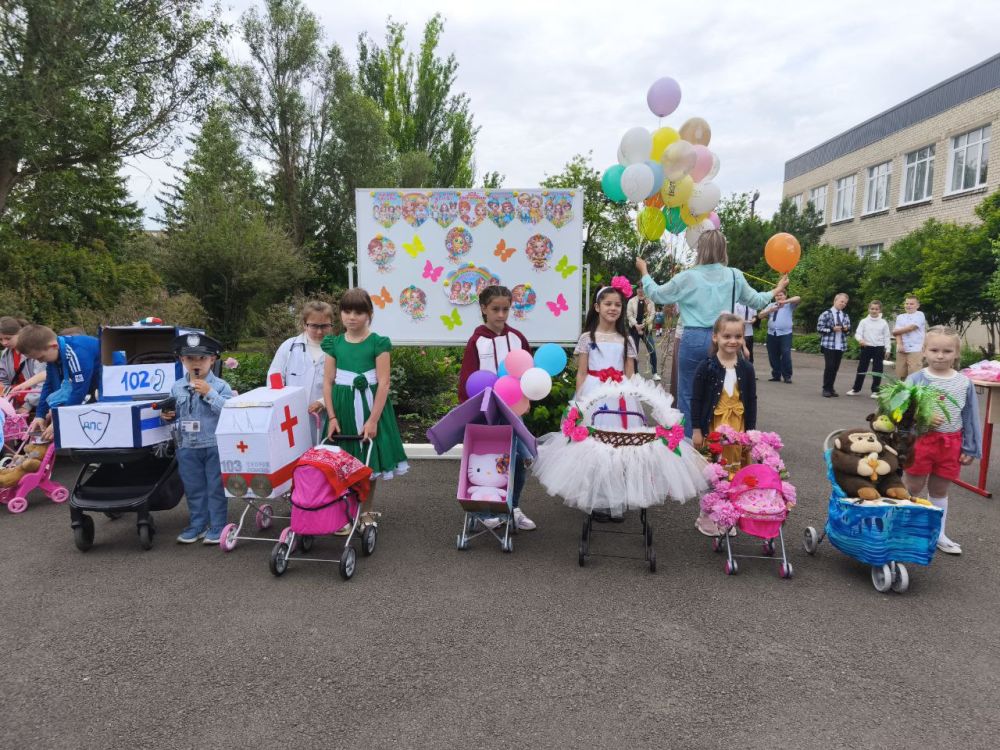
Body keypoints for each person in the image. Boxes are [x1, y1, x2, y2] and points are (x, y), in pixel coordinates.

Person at [636, 230, 786, 436]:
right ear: (723, 249)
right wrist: (775, 290)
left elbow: (656, 294)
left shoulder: (687, 276)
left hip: (693, 339)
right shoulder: (734, 275)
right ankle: (719, 443)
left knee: (688, 393)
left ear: (700, 250)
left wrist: (644, 272)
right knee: (724, 393)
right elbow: (757, 301)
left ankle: (690, 445)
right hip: (724, 340)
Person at [323, 288, 408, 531]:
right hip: (342, 407)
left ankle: (366, 511)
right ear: (340, 314)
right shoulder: (334, 343)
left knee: (368, 462)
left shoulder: (378, 343)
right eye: (347, 311)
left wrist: (373, 420)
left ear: (369, 314)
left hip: (370, 406)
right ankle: (344, 512)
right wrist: (331, 416)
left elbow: (384, 383)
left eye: (358, 312)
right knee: (343, 461)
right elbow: (327, 382)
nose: (352, 317)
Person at [457, 285, 536, 531]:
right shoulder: (476, 341)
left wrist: (527, 398)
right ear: (483, 308)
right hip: (486, 413)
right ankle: (487, 509)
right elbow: (468, 379)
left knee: (522, 457)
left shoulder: (518, 338)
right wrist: (470, 412)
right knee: (493, 461)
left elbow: (528, 373)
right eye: (495, 309)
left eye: (505, 309)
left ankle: (513, 507)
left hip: (514, 411)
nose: (501, 315)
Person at [902, 326, 982, 555]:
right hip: (921, 442)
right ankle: (904, 528)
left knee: (940, 489)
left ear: (956, 353)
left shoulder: (964, 382)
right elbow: (899, 410)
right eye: (934, 349)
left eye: (947, 351)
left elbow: (969, 416)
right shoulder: (916, 378)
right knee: (913, 486)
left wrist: (971, 447)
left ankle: (937, 533)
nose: (940, 355)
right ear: (924, 351)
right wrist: (921, 416)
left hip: (951, 444)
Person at [159, 333, 233, 544]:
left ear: (213, 359)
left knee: (215, 488)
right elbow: (174, 413)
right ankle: (197, 524)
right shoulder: (176, 387)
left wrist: (210, 393)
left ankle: (217, 526)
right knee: (193, 488)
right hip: (187, 446)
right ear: (181, 360)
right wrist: (166, 416)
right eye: (190, 358)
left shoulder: (220, 386)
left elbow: (230, 411)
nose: (196, 363)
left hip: (213, 445)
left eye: (201, 358)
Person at [690, 313, 757, 536]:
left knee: (734, 472)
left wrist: (751, 432)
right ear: (715, 337)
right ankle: (707, 516)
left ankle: (727, 515)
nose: (732, 341)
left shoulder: (746, 368)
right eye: (727, 335)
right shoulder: (707, 366)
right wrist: (697, 429)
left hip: (737, 428)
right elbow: (697, 400)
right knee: (713, 473)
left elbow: (751, 400)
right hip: (713, 428)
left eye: (738, 336)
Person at [15, 324, 101, 442]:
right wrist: (39, 415)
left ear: (53, 346)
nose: (40, 361)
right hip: (92, 387)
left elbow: (79, 391)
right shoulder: (55, 352)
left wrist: (60, 419)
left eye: (41, 357)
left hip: (109, 383)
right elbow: (48, 384)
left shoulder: (76, 353)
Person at [268, 301, 335, 442]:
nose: (319, 331)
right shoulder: (289, 347)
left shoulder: (338, 349)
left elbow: (342, 384)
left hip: (326, 417)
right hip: (290, 419)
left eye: (324, 326)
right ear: (305, 324)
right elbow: (274, 380)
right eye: (314, 326)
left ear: (331, 324)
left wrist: (323, 402)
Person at [574, 283, 638, 427]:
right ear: (597, 307)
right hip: (593, 391)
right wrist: (579, 401)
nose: (613, 308)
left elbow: (630, 373)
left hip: (619, 391)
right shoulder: (587, 338)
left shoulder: (626, 340)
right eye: (608, 304)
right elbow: (582, 373)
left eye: (618, 305)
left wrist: (631, 396)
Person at [0, 317, 45, 415]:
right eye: (0, 339)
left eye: (8, 338)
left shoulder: (35, 350)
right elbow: (3, 381)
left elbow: (43, 382)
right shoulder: (5, 354)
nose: (4, 343)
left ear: (20, 333)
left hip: (39, 403)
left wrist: (27, 405)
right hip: (16, 404)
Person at [847, 300, 892, 398]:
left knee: (877, 369)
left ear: (880, 310)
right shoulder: (864, 321)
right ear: (869, 309)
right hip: (866, 347)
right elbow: (858, 333)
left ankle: (875, 391)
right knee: (862, 368)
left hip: (879, 348)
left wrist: (888, 349)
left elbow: (886, 336)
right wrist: (860, 340)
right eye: (872, 309)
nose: (874, 311)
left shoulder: (883, 322)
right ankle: (856, 389)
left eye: (876, 309)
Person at [759, 290, 800, 383]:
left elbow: (798, 298)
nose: (778, 297)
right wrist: (770, 310)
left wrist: (784, 302)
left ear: (785, 296)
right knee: (773, 355)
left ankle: (787, 376)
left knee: (786, 354)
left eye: (781, 295)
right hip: (772, 333)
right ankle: (776, 375)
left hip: (785, 334)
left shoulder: (789, 305)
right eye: (777, 295)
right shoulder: (771, 305)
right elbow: (760, 315)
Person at [817, 293, 851, 398]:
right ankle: (826, 388)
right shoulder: (826, 314)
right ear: (835, 301)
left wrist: (846, 329)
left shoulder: (845, 315)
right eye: (841, 301)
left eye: (845, 303)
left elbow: (849, 330)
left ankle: (831, 388)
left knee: (835, 368)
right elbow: (819, 328)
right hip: (829, 345)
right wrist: (832, 329)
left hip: (840, 345)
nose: (843, 304)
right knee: (829, 366)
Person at [626, 284, 659, 380]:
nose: (641, 290)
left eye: (643, 288)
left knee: (652, 350)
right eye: (639, 288)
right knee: (634, 351)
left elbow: (652, 314)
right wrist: (636, 325)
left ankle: (655, 373)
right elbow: (629, 315)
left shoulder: (650, 301)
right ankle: (635, 373)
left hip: (646, 329)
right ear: (636, 290)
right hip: (634, 328)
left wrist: (644, 324)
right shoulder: (631, 301)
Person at [892, 295, 926, 380]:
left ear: (917, 305)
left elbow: (911, 328)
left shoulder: (920, 315)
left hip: (916, 348)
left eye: (911, 304)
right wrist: (899, 344)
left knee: (914, 372)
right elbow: (898, 334)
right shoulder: (900, 317)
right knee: (901, 373)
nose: (908, 305)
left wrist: (895, 331)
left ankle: (914, 392)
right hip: (902, 348)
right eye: (907, 303)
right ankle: (903, 391)